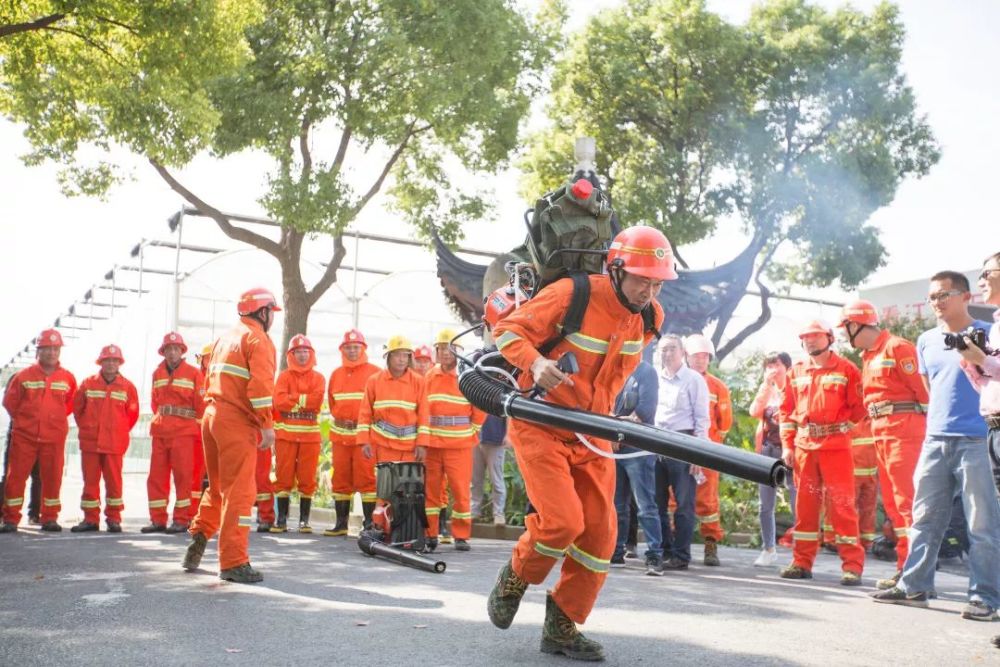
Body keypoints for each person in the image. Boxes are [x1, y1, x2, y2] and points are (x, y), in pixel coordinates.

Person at [487, 225, 670, 662]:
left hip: (593, 431)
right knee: (562, 522)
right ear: (617, 268)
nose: (648, 290)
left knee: (602, 534)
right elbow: (508, 331)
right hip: (543, 423)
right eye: (642, 278)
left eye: (657, 281)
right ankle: (515, 577)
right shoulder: (573, 293)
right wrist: (536, 362)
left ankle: (562, 626)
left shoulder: (651, 319)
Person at [873, 269, 1000, 621]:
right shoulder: (927, 340)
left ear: (964, 295)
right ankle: (914, 586)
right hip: (935, 439)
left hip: (977, 439)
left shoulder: (990, 333)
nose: (936, 303)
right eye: (932, 297)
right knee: (925, 517)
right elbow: (931, 390)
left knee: (982, 523)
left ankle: (984, 597)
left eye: (943, 295)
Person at [181, 287, 278, 584]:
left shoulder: (225, 337)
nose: (272, 317)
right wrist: (267, 425)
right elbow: (260, 389)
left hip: (212, 417)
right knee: (240, 491)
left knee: (219, 486)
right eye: (271, 312)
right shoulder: (257, 339)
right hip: (236, 421)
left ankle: (197, 541)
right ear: (263, 312)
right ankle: (234, 561)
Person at [838, 298, 928, 589]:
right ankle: (906, 568)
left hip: (905, 432)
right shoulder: (868, 355)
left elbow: (924, 393)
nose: (844, 334)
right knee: (892, 504)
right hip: (882, 431)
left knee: (907, 502)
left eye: (846, 327)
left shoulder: (899, 348)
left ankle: (915, 573)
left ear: (856, 324)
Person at [778, 320, 867, 586]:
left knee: (842, 506)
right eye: (806, 337)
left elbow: (859, 407)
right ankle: (801, 563)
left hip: (836, 447)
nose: (810, 341)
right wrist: (787, 445)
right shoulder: (795, 372)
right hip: (805, 447)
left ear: (829, 338)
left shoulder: (847, 369)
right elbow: (786, 411)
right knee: (805, 507)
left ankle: (852, 566)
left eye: (816, 336)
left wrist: (842, 428)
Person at [1, 329, 77, 533]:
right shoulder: (23, 376)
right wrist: (28, 422)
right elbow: (10, 402)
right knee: (15, 477)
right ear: (39, 351)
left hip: (54, 438)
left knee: (52, 478)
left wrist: (52, 421)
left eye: (55, 348)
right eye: (47, 349)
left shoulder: (68, 378)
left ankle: (49, 518)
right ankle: (10, 519)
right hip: (25, 437)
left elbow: (71, 404)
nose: (52, 353)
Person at [423, 328, 486, 552]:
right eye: (441, 349)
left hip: (459, 446)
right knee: (431, 491)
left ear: (457, 351)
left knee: (460, 491)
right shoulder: (429, 376)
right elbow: (422, 408)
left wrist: (473, 432)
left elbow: (479, 407)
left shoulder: (466, 375)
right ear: (437, 352)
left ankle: (461, 535)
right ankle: (430, 534)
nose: (446, 353)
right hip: (432, 445)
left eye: (450, 349)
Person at [653, 333, 709, 572]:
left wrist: (698, 453)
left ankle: (681, 554)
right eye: (663, 349)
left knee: (684, 505)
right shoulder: (656, 378)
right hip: (655, 443)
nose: (667, 354)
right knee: (657, 503)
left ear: (682, 352)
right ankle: (664, 550)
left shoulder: (693, 379)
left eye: (672, 349)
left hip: (684, 442)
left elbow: (702, 419)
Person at [70, 345, 139, 533]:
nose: (111, 364)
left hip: (114, 444)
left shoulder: (128, 387)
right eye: (107, 360)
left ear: (119, 363)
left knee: (114, 482)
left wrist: (118, 430)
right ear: (100, 362)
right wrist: (87, 426)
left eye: (114, 360)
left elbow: (132, 415)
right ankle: (90, 519)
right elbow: (78, 409)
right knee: (90, 482)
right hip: (91, 442)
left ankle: (114, 518)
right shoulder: (87, 384)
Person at [144, 332, 205, 534]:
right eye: (168, 349)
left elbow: (201, 404)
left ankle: (182, 519)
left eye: (175, 349)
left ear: (182, 351)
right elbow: (155, 403)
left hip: (184, 432)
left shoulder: (194, 373)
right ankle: (157, 520)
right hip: (161, 430)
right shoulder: (157, 373)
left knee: (183, 476)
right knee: (156, 476)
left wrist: (196, 430)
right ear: (163, 352)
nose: (172, 353)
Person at [325, 329, 381, 536]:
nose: (352, 351)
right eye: (348, 348)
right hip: (340, 435)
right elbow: (332, 404)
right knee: (340, 478)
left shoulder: (375, 372)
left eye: (356, 347)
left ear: (363, 348)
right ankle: (341, 524)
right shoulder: (335, 374)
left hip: (364, 436)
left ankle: (368, 524)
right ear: (342, 349)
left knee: (366, 478)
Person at [610, 358, 664, 576]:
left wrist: (614, 426)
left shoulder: (646, 372)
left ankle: (654, 555)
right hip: (614, 447)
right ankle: (615, 551)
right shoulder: (614, 369)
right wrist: (609, 427)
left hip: (637, 449)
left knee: (645, 506)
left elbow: (644, 411)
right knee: (617, 505)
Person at [684, 334, 733, 566]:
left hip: (708, 451)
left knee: (708, 502)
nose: (701, 360)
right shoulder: (677, 380)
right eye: (696, 356)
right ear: (687, 357)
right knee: (675, 499)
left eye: (705, 357)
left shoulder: (717, 387)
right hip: (681, 449)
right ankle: (675, 544)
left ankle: (710, 545)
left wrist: (712, 449)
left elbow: (724, 423)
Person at [271, 334, 325, 533]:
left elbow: (317, 401)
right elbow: (279, 402)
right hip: (285, 437)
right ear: (291, 355)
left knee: (307, 478)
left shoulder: (319, 378)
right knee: (283, 477)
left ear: (311, 354)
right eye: (298, 352)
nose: (302, 356)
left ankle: (304, 521)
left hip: (310, 438)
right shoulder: (284, 376)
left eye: (305, 351)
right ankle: (282, 520)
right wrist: (304, 402)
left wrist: (293, 401)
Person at [356, 335, 429, 466]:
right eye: (397, 355)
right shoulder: (374, 381)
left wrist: (422, 444)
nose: (401, 360)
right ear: (388, 356)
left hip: (410, 447)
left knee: (407, 486)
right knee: (385, 485)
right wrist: (364, 440)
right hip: (382, 444)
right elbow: (365, 413)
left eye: (405, 355)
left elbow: (424, 415)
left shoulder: (419, 382)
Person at [748, 351, 793, 566]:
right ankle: (768, 548)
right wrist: (766, 386)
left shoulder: (794, 387)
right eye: (768, 366)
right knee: (765, 504)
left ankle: (801, 551)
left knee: (797, 501)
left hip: (791, 450)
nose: (772, 370)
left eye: (776, 365)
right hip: (768, 450)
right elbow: (754, 411)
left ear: (786, 367)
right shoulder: (767, 390)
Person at [471, 415, 508, 525]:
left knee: (496, 480)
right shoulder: (475, 396)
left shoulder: (502, 396)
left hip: (496, 440)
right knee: (475, 480)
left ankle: (498, 514)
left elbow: (508, 416)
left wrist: (508, 435)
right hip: (475, 439)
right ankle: (474, 511)